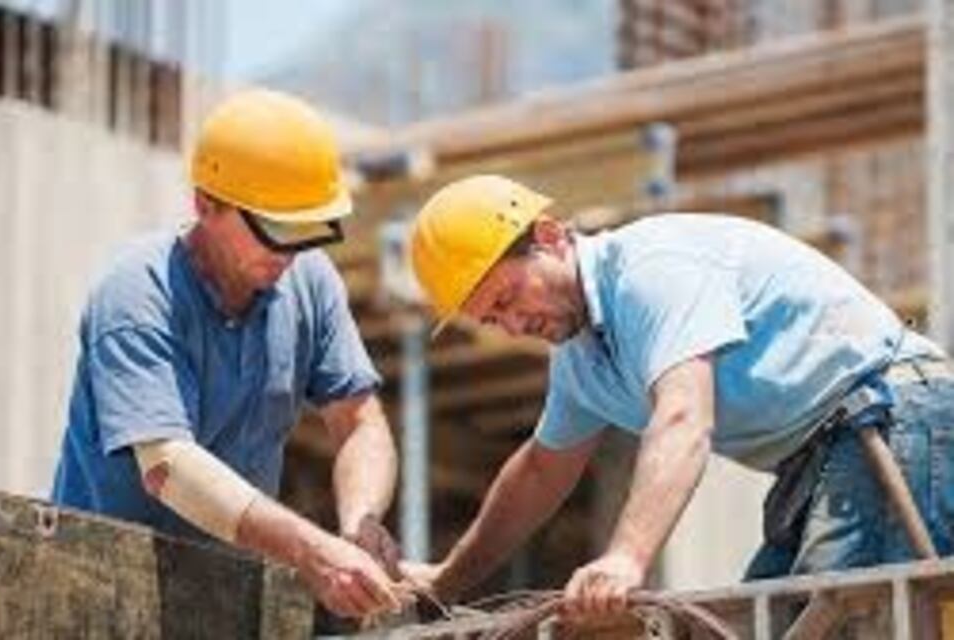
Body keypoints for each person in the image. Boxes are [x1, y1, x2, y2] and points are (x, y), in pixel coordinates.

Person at [403, 173, 954, 618]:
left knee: (846, 619)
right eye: (493, 318)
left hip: (893, 413)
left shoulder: (650, 270)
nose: (514, 323)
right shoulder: (581, 361)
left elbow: (685, 417)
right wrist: (448, 581)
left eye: (509, 296)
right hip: (823, 455)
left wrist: (626, 557)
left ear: (549, 237)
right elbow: (539, 474)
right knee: (757, 624)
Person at [51, 90, 405, 619]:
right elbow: (167, 466)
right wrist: (310, 549)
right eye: (274, 229)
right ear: (205, 205)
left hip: (225, 591)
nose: (289, 250)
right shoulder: (137, 294)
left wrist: (361, 523)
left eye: (306, 229)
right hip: (97, 590)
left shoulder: (309, 281)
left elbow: (359, 423)